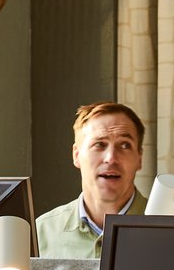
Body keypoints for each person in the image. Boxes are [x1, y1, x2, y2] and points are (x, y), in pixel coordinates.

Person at [35, 101, 148, 257]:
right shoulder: (40, 233)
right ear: (77, 155)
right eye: (99, 144)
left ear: (139, 158)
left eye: (124, 145)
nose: (111, 158)